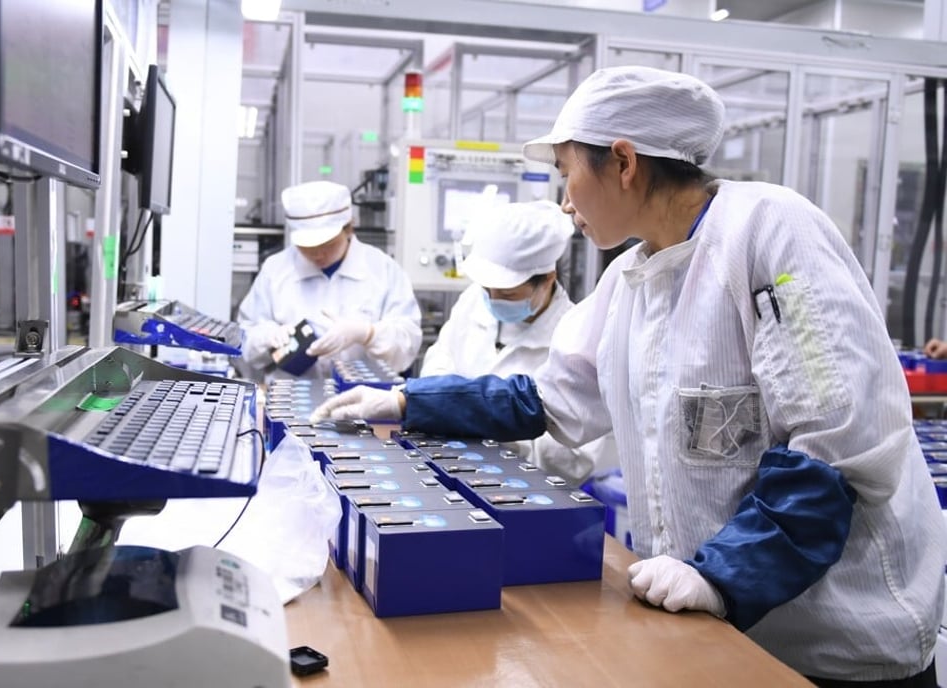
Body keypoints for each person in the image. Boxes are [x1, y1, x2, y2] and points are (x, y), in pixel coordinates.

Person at [312, 66, 947, 686]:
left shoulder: (772, 233)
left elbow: (834, 451)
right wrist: (407, 399)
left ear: (622, 161)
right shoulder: (630, 280)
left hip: (834, 647)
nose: (565, 202)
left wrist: (721, 576)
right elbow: (548, 400)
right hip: (716, 633)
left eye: (567, 173)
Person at [422, 199, 613, 482]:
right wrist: (447, 406)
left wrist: (503, 435)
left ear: (547, 279)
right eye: (488, 289)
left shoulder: (577, 338)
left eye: (508, 294)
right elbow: (439, 361)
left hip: (523, 493)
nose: (493, 300)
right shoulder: (474, 301)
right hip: (453, 468)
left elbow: (577, 460)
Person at [238, 180, 422, 379]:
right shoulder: (275, 270)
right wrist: (267, 336)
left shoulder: (383, 270)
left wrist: (368, 334)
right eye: (307, 248)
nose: (318, 255)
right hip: (289, 402)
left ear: (349, 228)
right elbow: (246, 339)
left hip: (365, 403)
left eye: (328, 245)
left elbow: (407, 344)